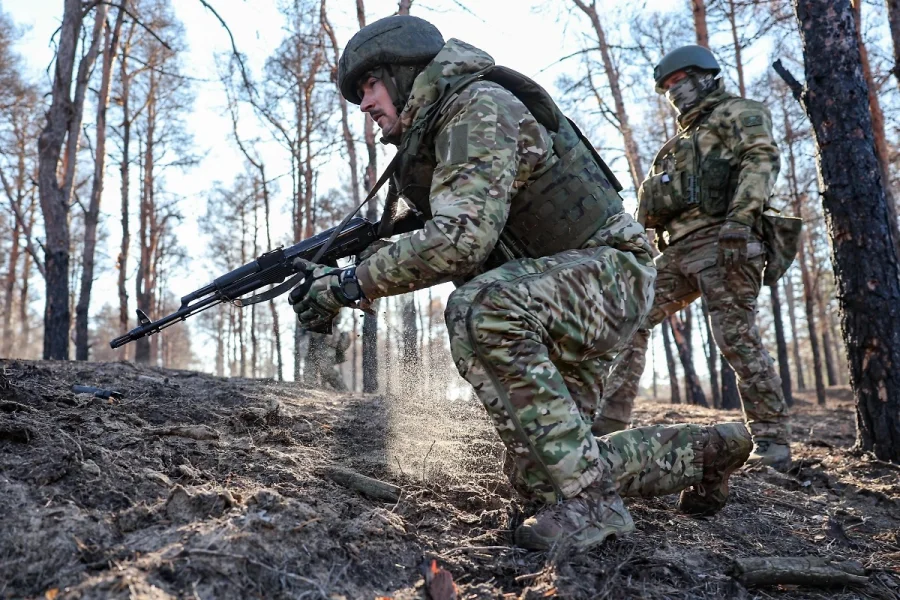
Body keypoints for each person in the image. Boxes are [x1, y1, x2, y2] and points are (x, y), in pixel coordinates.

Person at [288, 16, 747, 550]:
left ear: (402, 73)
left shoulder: (477, 106)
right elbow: (459, 240)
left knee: (479, 308)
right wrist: (352, 271)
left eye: (369, 86)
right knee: (543, 477)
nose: (364, 104)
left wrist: (350, 285)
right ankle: (714, 449)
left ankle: (594, 506)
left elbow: (460, 241)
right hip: (561, 292)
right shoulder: (438, 136)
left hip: (610, 275)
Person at [593, 45, 791, 472]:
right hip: (676, 251)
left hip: (727, 240)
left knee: (735, 337)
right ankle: (606, 425)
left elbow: (761, 158)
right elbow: (649, 209)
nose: (673, 92)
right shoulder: (676, 145)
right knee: (631, 318)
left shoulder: (736, 113)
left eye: (678, 81)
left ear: (705, 76)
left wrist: (740, 221)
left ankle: (773, 444)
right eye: (666, 87)